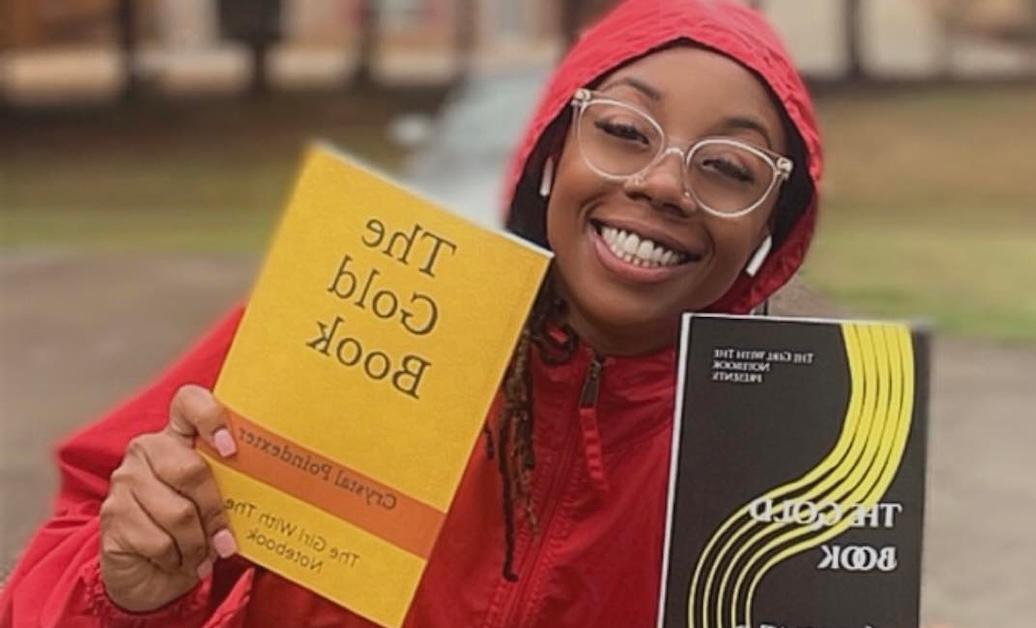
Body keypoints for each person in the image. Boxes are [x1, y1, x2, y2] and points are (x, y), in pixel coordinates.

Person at [0, 0, 821, 625]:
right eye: (621, 129)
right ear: (548, 158)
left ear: (768, 232)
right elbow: (54, 583)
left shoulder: (798, 445)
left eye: (728, 167)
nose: (665, 184)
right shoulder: (362, 312)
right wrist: (127, 595)